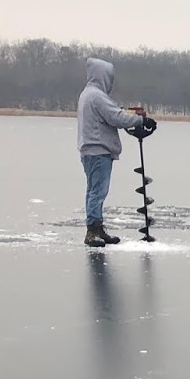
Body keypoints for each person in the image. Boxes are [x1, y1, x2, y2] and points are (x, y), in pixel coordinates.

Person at [77, 58, 149, 247]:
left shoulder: (88, 94)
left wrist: (131, 113)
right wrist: (141, 122)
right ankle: (92, 231)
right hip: (98, 150)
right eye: (109, 77)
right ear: (103, 76)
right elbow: (115, 117)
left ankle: (97, 227)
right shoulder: (97, 96)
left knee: (93, 190)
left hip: (90, 150)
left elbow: (113, 112)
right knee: (98, 191)